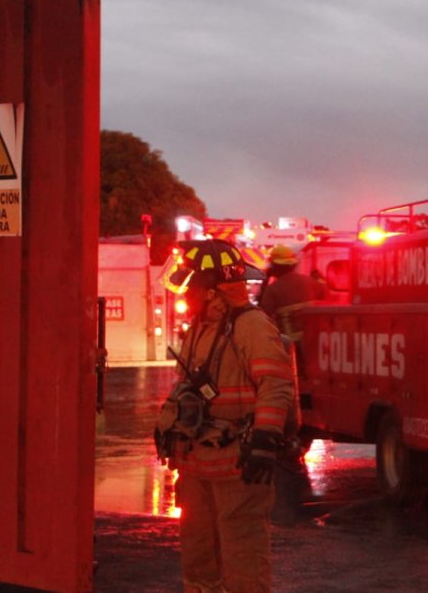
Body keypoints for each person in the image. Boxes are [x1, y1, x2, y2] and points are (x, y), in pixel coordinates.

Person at [154, 239, 296, 593]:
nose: (187, 293)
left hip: (238, 466)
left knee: (242, 560)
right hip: (197, 465)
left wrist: (265, 438)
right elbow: (187, 387)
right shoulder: (201, 327)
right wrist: (169, 426)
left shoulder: (251, 326)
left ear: (215, 290)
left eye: (194, 285)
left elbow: (275, 385)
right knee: (200, 557)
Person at [258, 243, 324, 346]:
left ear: (274, 267)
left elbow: (262, 316)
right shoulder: (311, 282)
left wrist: (265, 281)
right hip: (314, 340)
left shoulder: (273, 290)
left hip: (290, 345)